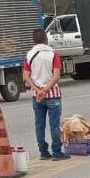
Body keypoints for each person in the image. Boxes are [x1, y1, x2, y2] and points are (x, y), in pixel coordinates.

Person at [23, 30, 70, 161]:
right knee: (54, 125)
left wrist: (38, 90)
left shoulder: (29, 55)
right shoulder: (53, 54)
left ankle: (43, 152)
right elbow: (56, 76)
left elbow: (26, 76)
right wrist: (46, 90)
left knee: (39, 125)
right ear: (46, 39)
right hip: (53, 95)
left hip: (37, 96)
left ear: (34, 40)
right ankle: (57, 153)